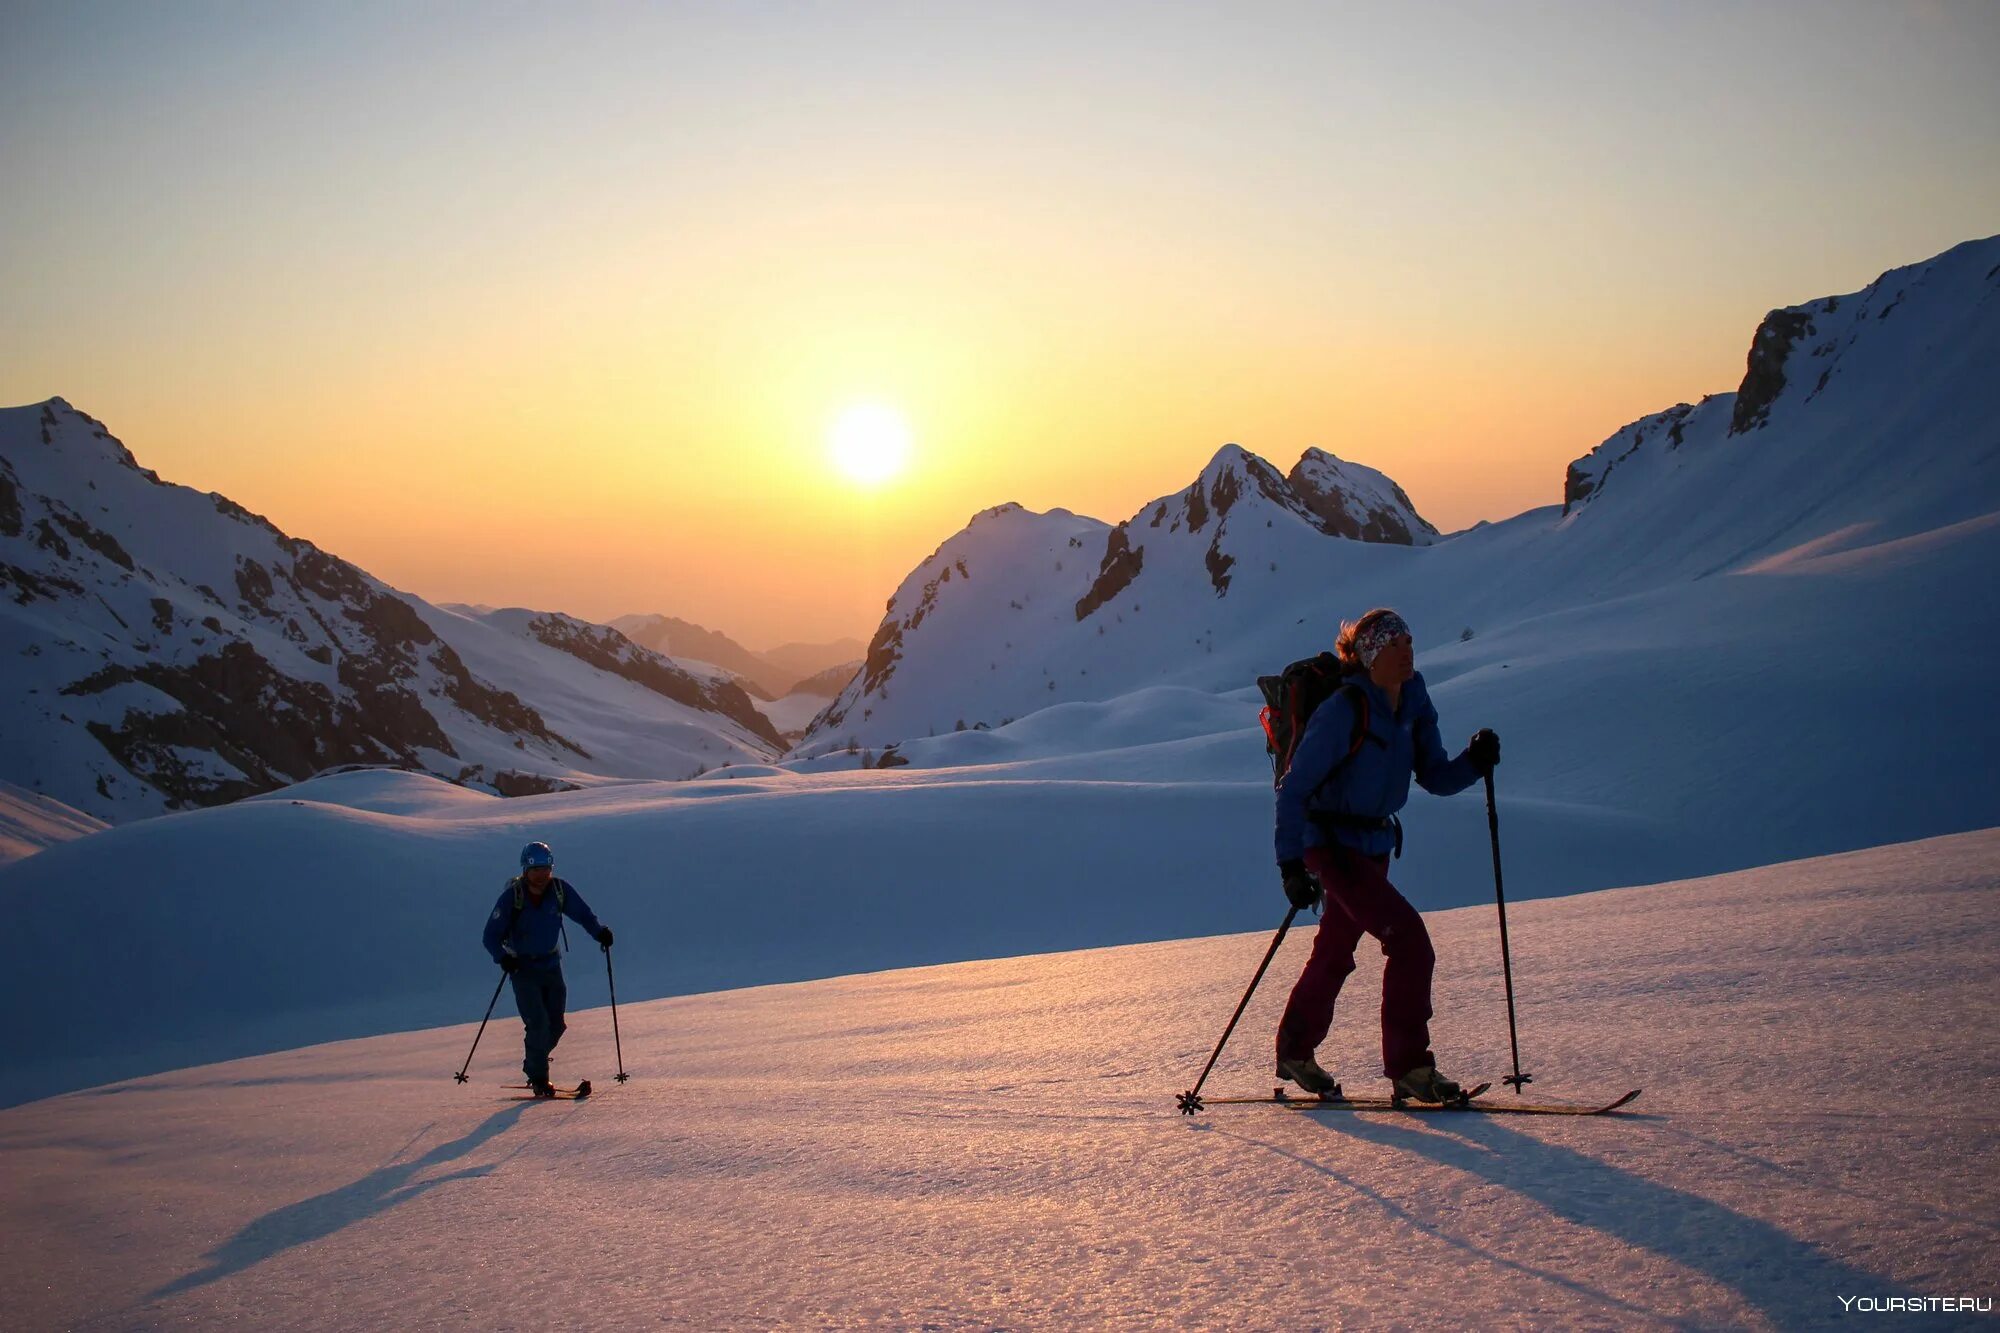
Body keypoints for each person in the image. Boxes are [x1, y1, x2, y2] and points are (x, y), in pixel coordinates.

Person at [1271, 608, 1499, 1104]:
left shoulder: (1413, 703)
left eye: (1409, 640)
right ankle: (1411, 1067)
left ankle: (1294, 1050)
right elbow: (1294, 790)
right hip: (1332, 846)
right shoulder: (1343, 710)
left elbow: (1435, 775)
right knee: (1410, 941)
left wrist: (1475, 763)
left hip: (1373, 847)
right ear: (1371, 656)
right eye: (1395, 643)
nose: (1407, 649)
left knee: (1334, 950)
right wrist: (1291, 864)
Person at [481, 841, 613, 1096]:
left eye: (545, 869)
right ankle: (539, 1078)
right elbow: (490, 935)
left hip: (551, 966)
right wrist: (503, 958)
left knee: (556, 1024)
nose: (541, 875)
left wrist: (600, 933)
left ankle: (534, 1061)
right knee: (538, 1023)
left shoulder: (559, 890)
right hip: (523, 969)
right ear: (525, 870)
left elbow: (583, 914)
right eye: (535, 869)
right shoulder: (513, 897)